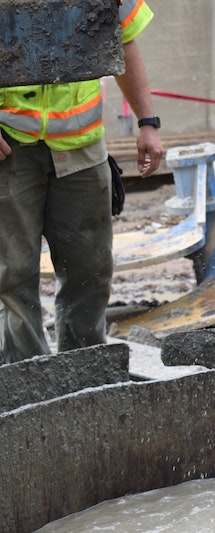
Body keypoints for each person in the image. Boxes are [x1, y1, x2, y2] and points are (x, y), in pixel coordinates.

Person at [0, 0, 164, 364]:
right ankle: (26, 377)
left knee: (90, 269)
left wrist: (147, 122)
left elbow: (123, 40)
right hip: (10, 146)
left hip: (82, 145)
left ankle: (85, 368)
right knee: (13, 273)